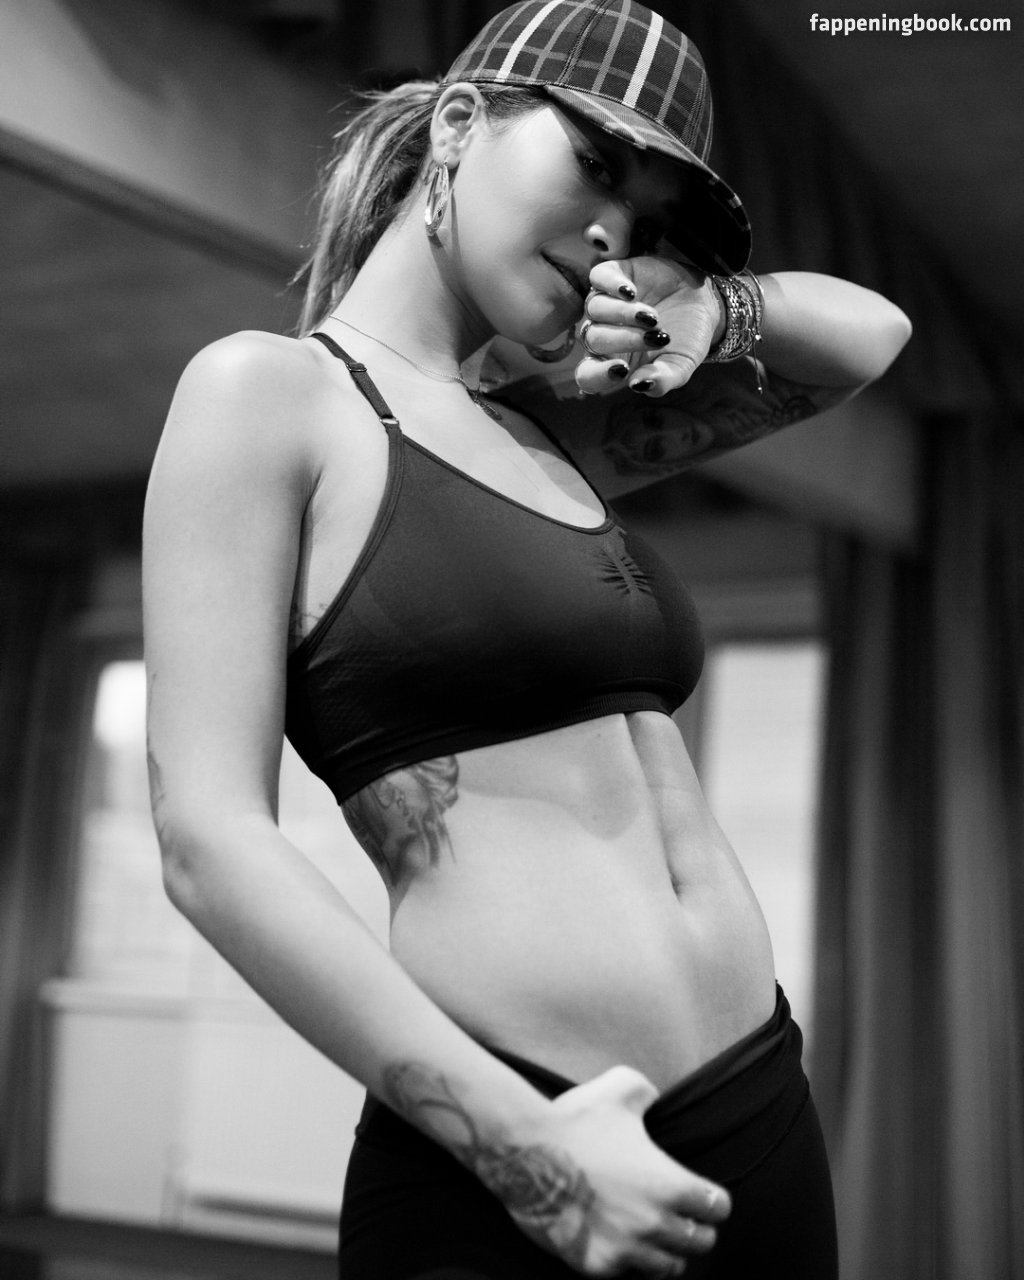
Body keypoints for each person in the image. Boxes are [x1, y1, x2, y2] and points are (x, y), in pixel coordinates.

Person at [142, 1, 911, 1276]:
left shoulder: (555, 429)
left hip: (759, 1106)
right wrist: (526, 1148)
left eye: (648, 220)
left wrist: (705, 310)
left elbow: (869, 336)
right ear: (458, 123)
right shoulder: (271, 396)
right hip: (518, 1142)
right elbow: (208, 838)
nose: (616, 234)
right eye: (596, 166)